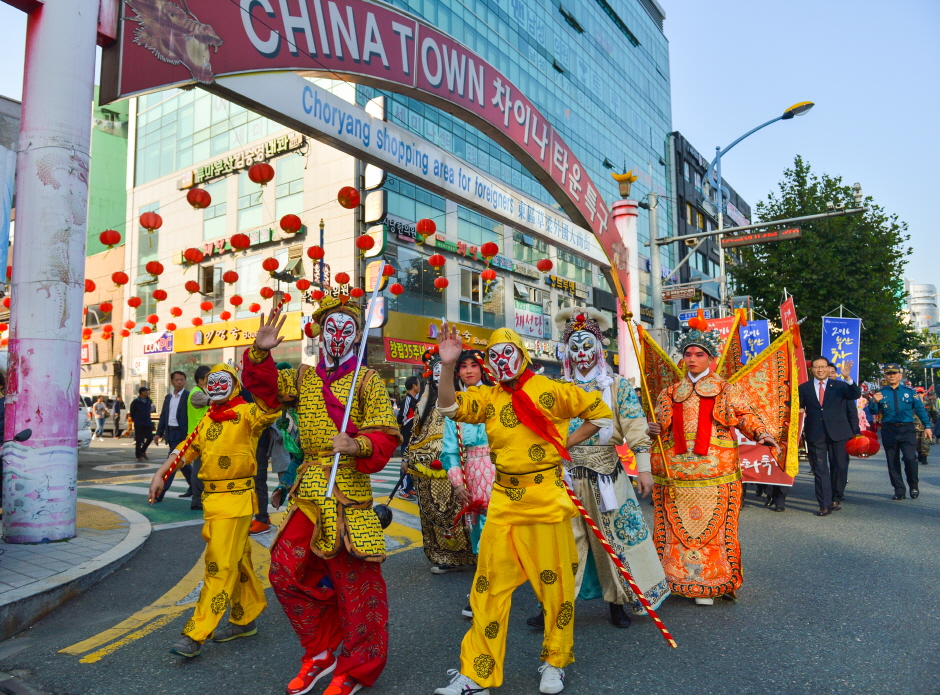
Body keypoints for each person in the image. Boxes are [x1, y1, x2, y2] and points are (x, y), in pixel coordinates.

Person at [434, 325, 613, 695]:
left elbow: (600, 412)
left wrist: (564, 442)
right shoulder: (488, 397)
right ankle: (478, 674)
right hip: (503, 502)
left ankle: (555, 661)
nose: (501, 361)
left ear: (522, 355)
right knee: (487, 589)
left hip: (546, 499)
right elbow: (450, 407)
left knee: (556, 589)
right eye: (494, 357)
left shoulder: (551, 390)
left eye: (507, 353)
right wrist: (447, 366)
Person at [244, 301, 400, 695]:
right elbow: (265, 391)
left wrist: (358, 443)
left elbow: (386, 433)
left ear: (356, 336)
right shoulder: (304, 377)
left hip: (349, 491)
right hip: (312, 485)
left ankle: (356, 668)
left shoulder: (367, 380)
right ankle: (321, 651)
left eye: (347, 329)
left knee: (356, 586)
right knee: (283, 570)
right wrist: (260, 353)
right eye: (331, 328)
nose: (338, 336)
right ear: (320, 333)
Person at [527, 308, 668, 630]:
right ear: (566, 352)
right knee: (562, 541)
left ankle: (617, 601)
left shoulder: (616, 386)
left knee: (614, 539)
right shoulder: (556, 387)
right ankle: (552, 605)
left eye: (588, 346)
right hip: (565, 473)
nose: (582, 354)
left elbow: (636, 428)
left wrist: (644, 469)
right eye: (575, 348)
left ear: (599, 350)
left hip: (608, 474)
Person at [148, 363, 279, 659]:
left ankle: (195, 633)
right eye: (212, 382)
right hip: (213, 503)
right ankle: (244, 618)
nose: (217, 386)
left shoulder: (247, 413)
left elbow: (270, 407)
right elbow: (185, 449)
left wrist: (259, 361)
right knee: (237, 560)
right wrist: (161, 473)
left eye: (223, 381)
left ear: (233, 383)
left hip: (237, 501)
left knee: (218, 566)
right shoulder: (207, 420)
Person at [648, 321, 779, 606]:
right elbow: (659, 426)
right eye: (688, 354)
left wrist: (762, 433)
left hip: (716, 472)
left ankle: (712, 581)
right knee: (673, 528)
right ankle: (674, 578)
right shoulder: (669, 392)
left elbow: (745, 416)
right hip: (677, 473)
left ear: (711, 358)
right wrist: (653, 429)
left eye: (699, 355)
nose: (692, 360)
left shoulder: (725, 390)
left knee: (715, 529)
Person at [406, 348, 476, 574]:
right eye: (434, 370)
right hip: (426, 469)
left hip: (455, 467)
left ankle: (472, 554)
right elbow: (414, 433)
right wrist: (407, 456)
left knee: (461, 513)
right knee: (434, 514)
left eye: (442, 369)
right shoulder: (423, 403)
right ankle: (443, 555)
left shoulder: (460, 399)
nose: (438, 374)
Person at [440, 349, 495, 617]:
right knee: (480, 535)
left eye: (475, 365)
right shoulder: (455, 404)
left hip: (500, 470)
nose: (469, 370)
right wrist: (458, 482)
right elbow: (449, 450)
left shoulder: (497, 397)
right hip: (472, 475)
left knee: (496, 534)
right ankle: (488, 587)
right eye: (464, 366)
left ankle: (484, 593)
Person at [797, 357, 861, 515]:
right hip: (815, 433)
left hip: (838, 432)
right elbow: (796, 406)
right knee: (819, 469)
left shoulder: (839, 386)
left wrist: (847, 377)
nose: (820, 370)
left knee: (839, 466)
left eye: (823, 367)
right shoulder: (804, 388)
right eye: (816, 367)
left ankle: (835, 497)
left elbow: (855, 394)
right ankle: (824, 504)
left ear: (828, 369)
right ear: (812, 370)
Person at [872, 364, 932, 499]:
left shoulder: (910, 391)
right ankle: (899, 490)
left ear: (900, 375)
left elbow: (920, 409)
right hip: (889, 429)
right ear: (885, 376)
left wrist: (927, 426)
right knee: (892, 461)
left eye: (894, 373)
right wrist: (874, 402)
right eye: (889, 373)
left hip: (907, 429)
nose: (892, 376)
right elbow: (873, 411)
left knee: (910, 459)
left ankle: (913, 485)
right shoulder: (881, 393)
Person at [187, 365, 211, 511]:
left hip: (203, 434)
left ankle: (200, 498)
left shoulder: (201, 391)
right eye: (209, 378)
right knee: (199, 469)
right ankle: (197, 500)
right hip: (198, 436)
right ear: (201, 380)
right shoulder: (197, 394)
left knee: (203, 468)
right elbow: (212, 402)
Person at [397, 376, 420, 500]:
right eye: (418, 384)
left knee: (412, 463)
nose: (419, 386)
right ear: (414, 386)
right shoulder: (407, 400)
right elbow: (401, 417)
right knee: (405, 463)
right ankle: (403, 489)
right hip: (406, 437)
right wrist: (399, 434)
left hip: (413, 437)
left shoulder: (414, 400)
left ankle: (410, 487)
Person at [129, 387, 155, 461]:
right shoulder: (136, 402)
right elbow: (132, 413)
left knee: (150, 438)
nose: (147, 392)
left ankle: (143, 451)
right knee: (139, 440)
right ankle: (138, 455)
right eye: (146, 391)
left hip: (147, 422)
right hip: (139, 423)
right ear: (141, 392)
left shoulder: (148, 400)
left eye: (147, 391)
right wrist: (136, 420)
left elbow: (151, 410)